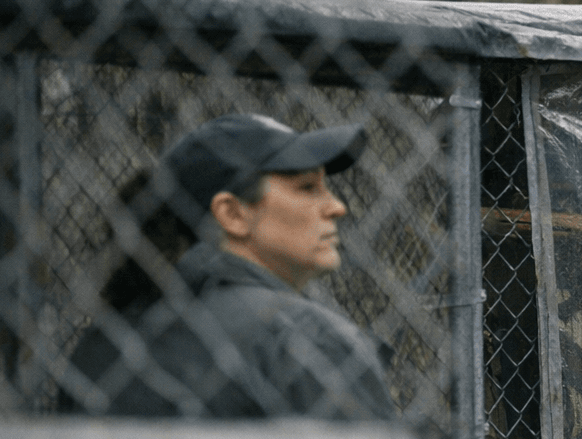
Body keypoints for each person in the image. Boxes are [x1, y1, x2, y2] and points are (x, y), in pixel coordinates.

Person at [63, 113, 395, 420]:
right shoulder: (308, 338)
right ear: (233, 214)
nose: (337, 206)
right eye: (307, 187)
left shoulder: (99, 346)